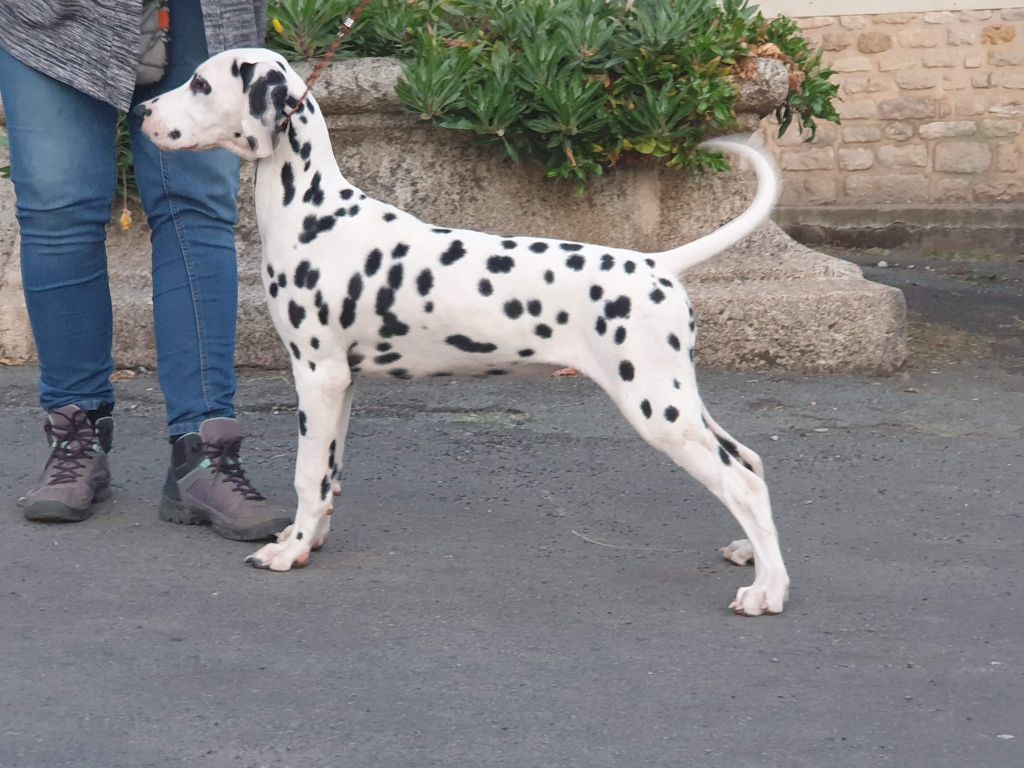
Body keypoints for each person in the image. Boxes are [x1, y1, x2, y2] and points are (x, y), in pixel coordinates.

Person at [0, 0, 292, 540]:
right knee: (58, 210)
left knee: (196, 208)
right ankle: (75, 438)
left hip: (204, 11)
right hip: (51, 15)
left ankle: (203, 452)